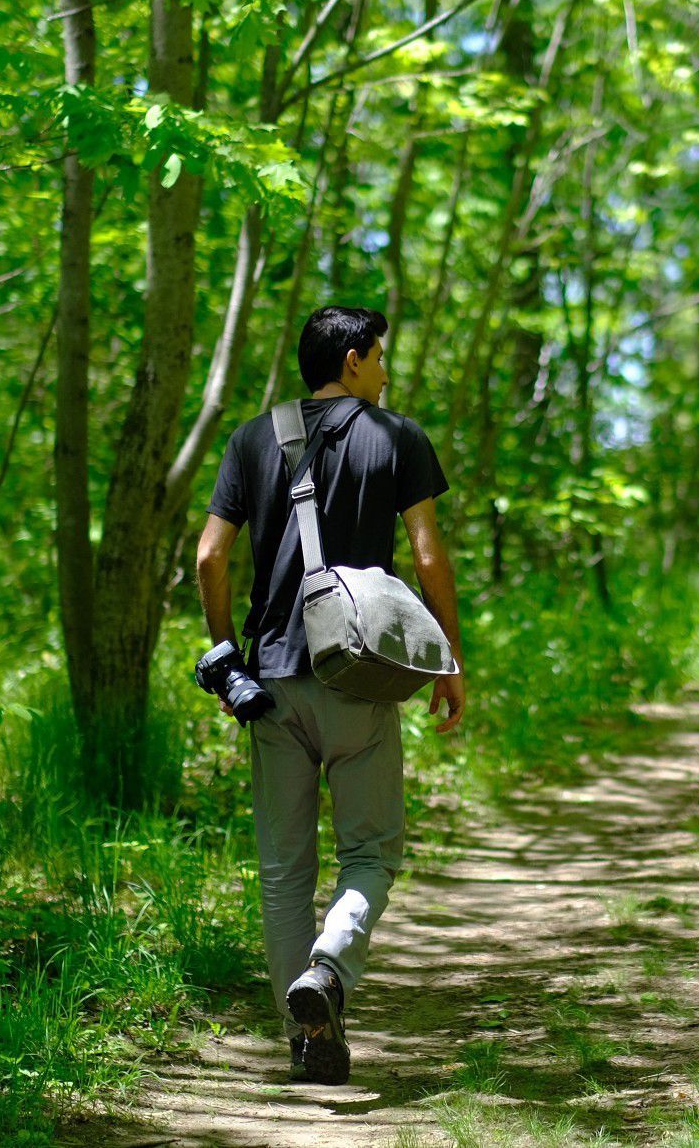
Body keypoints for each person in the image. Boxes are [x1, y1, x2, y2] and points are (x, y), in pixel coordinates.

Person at [193, 305, 467, 1086]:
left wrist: (225, 653)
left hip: (271, 683)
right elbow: (426, 553)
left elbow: (212, 556)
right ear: (351, 360)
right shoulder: (396, 437)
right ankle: (329, 968)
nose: (385, 372)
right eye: (380, 357)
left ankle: (304, 1037)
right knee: (371, 851)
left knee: (284, 868)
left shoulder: (252, 437)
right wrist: (446, 657)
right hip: (356, 673)